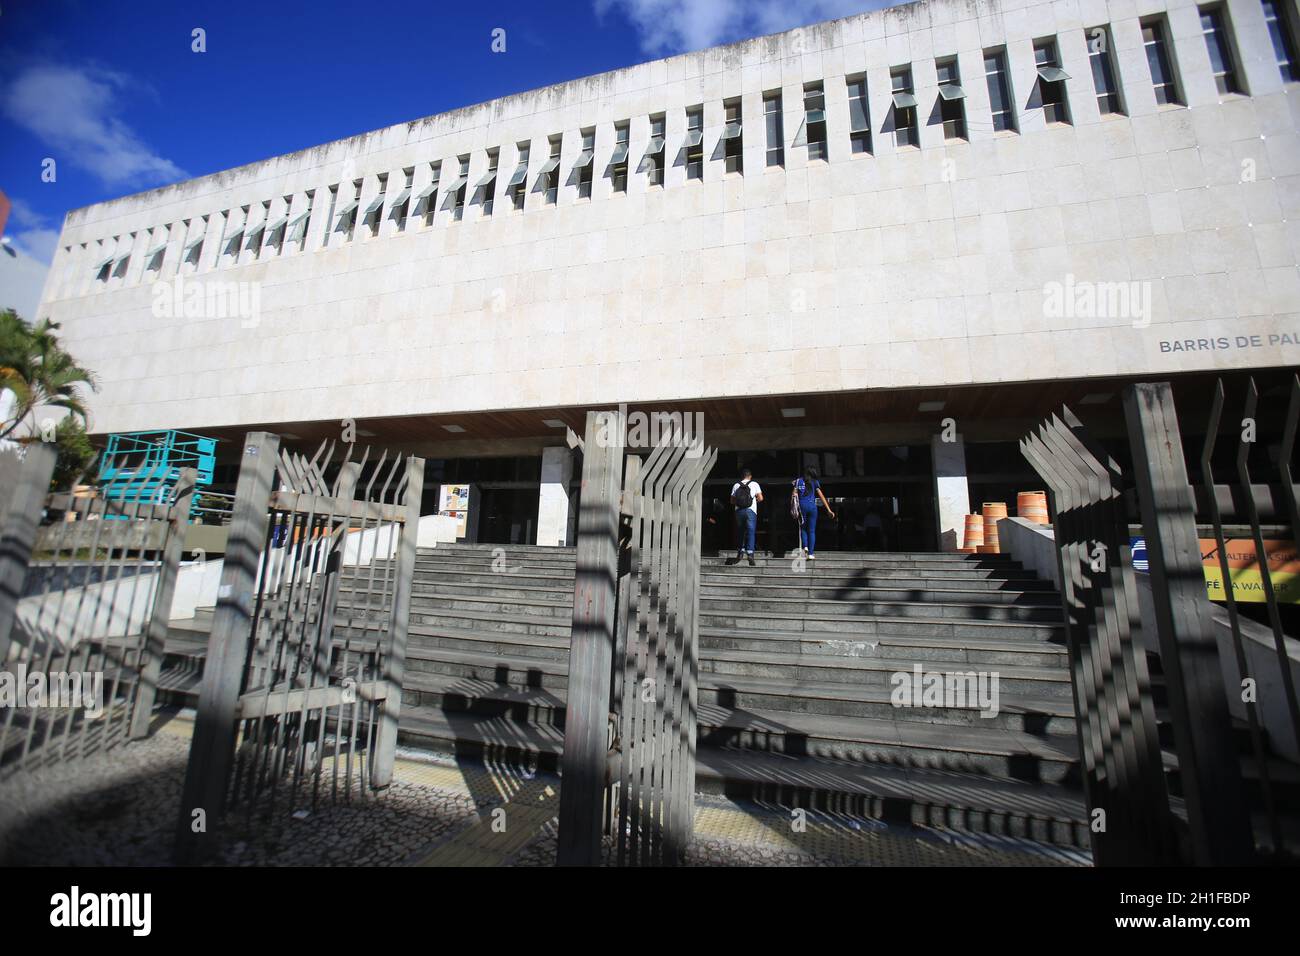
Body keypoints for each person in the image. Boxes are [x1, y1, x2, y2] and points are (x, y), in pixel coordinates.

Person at [793, 466, 835, 559]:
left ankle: (805, 547)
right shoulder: (815, 482)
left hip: (802, 507)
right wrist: (829, 510)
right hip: (812, 507)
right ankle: (811, 554)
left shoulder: (798, 481)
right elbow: (821, 496)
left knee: (803, 528)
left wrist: (793, 508)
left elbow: (793, 495)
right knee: (811, 531)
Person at [730, 468, 762, 565]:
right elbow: (760, 498)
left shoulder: (736, 485)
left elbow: (732, 501)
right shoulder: (754, 484)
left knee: (740, 531)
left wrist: (740, 503)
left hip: (739, 511)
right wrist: (753, 501)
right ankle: (750, 554)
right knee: (751, 531)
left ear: (742, 476)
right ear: (750, 476)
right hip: (751, 511)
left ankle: (740, 552)